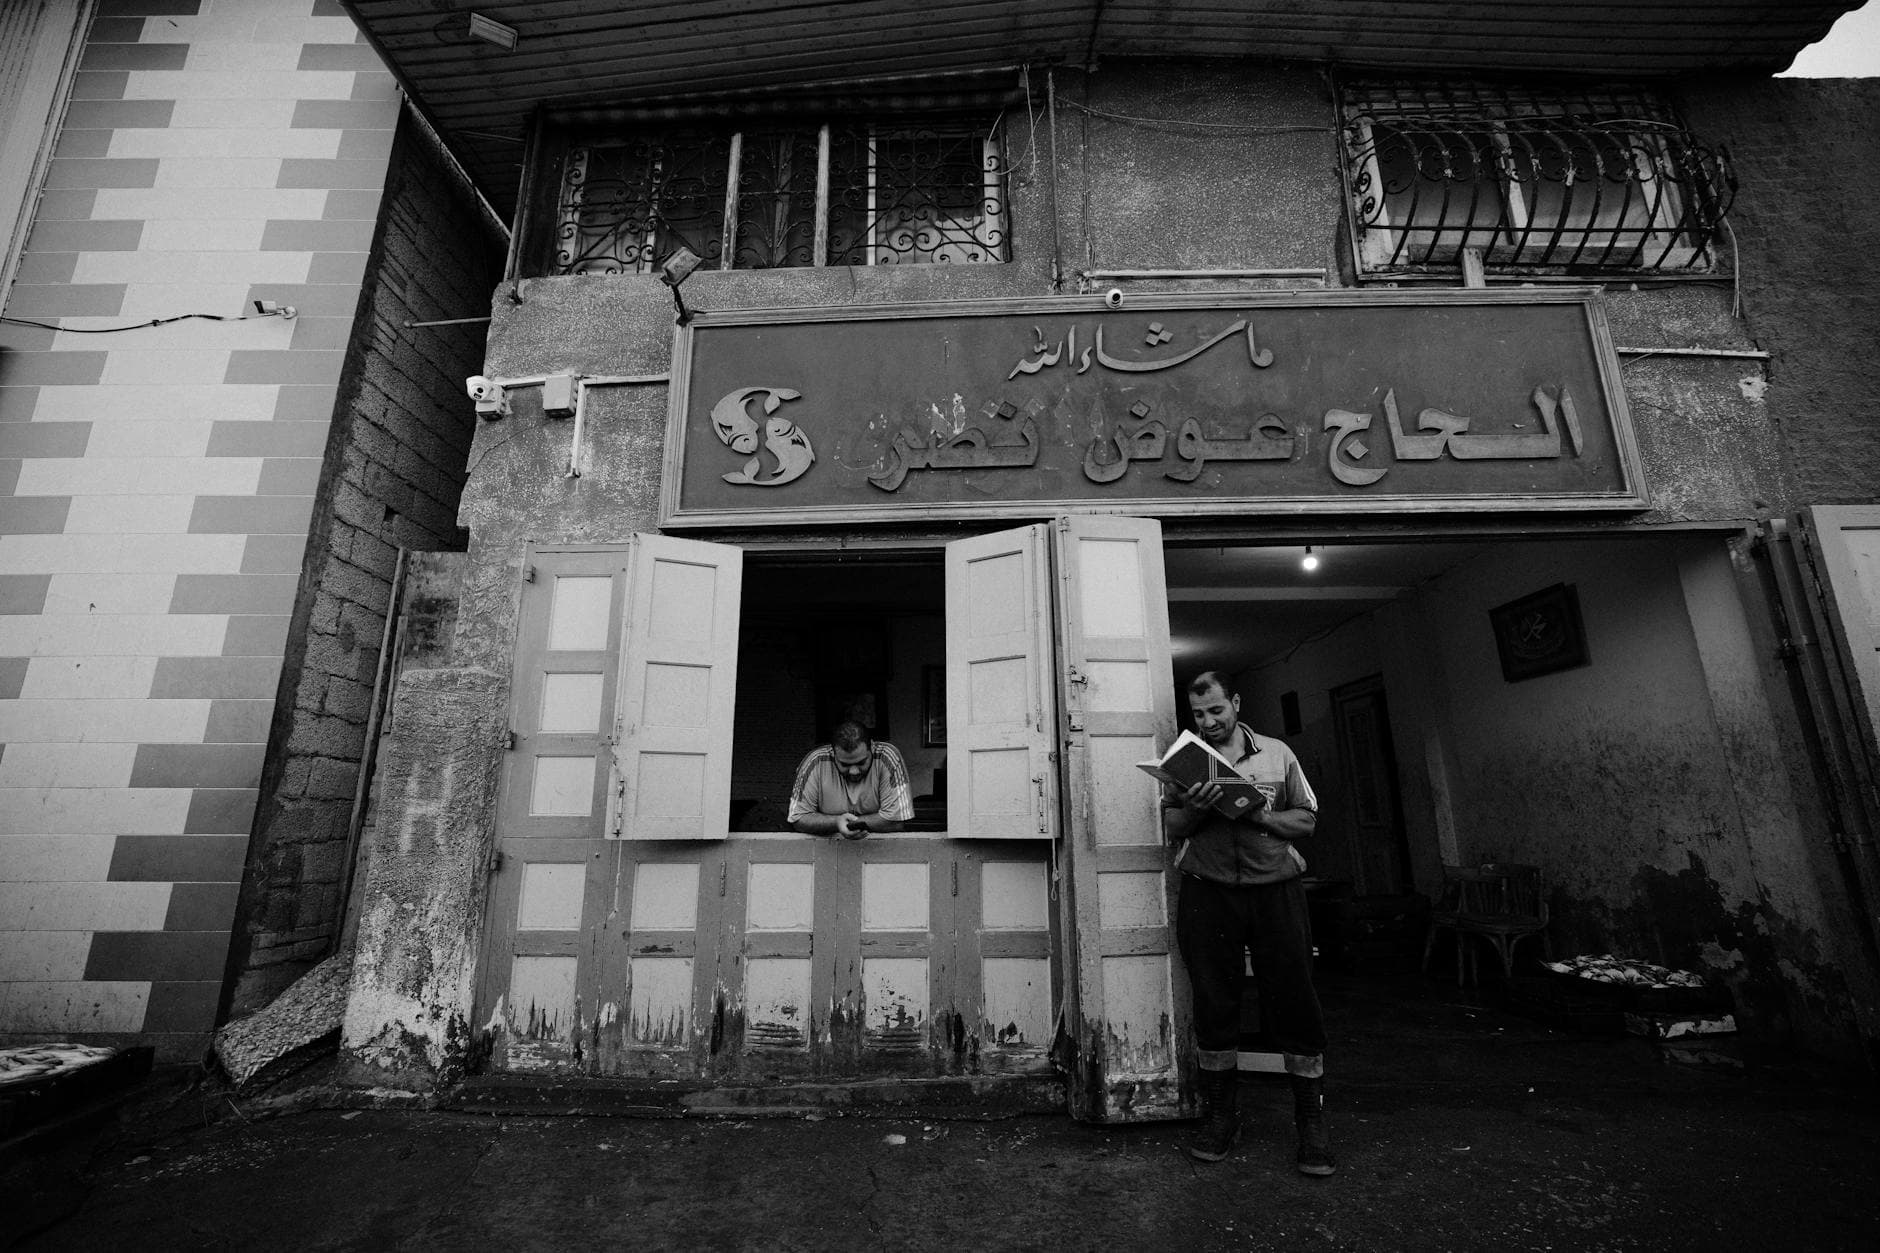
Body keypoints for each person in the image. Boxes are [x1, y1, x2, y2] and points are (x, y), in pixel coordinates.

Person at [1161, 670, 1335, 1177]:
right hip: (1207, 891)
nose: (1209, 722)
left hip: (1276, 890)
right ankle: (1221, 1118)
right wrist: (1193, 809)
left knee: (1296, 998)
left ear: (1235, 702)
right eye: (1198, 714)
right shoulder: (1185, 761)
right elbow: (1171, 827)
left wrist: (1256, 814)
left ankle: (1311, 1123)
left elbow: (1306, 819)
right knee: (1215, 1001)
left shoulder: (1278, 754)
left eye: (1216, 710)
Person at [787, 720, 913, 840]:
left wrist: (847, 823)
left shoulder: (888, 757)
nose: (854, 771)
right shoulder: (815, 761)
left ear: (872, 749)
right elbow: (798, 819)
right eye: (845, 764)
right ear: (833, 754)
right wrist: (837, 822)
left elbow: (897, 821)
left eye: (861, 762)